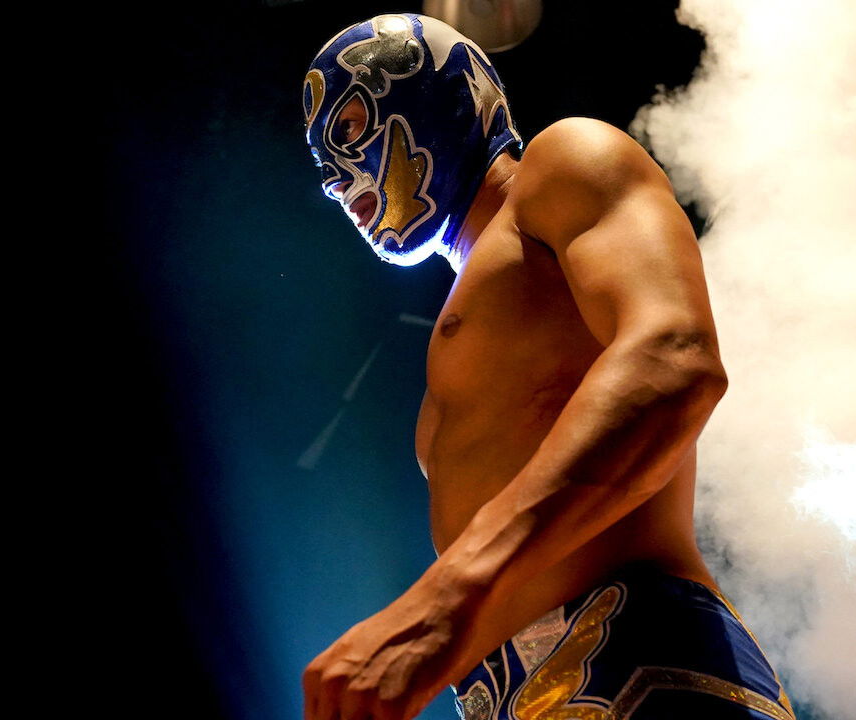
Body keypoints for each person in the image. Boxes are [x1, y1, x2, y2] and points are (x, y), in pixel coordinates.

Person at [299, 13, 793, 720]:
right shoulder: (473, 316)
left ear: (441, 96)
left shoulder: (567, 160)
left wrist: (443, 598)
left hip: (643, 670)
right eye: (319, 161)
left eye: (347, 130)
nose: (331, 180)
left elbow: (674, 357)